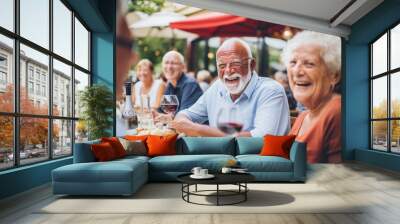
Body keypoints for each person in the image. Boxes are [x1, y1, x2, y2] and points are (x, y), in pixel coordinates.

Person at [170, 38, 290, 137]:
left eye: (235, 64)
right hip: (222, 160)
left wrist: (197, 130)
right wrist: (182, 121)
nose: (228, 71)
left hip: (260, 163)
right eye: (221, 65)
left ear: (252, 65)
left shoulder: (270, 90)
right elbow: (186, 114)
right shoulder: (218, 87)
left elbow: (261, 138)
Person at [282, 31, 342, 163]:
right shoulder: (303, 116)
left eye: (309, 63)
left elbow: (340, 176)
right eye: (292, 62)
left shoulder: (336, 112)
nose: (297, 71)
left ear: (334, 75)